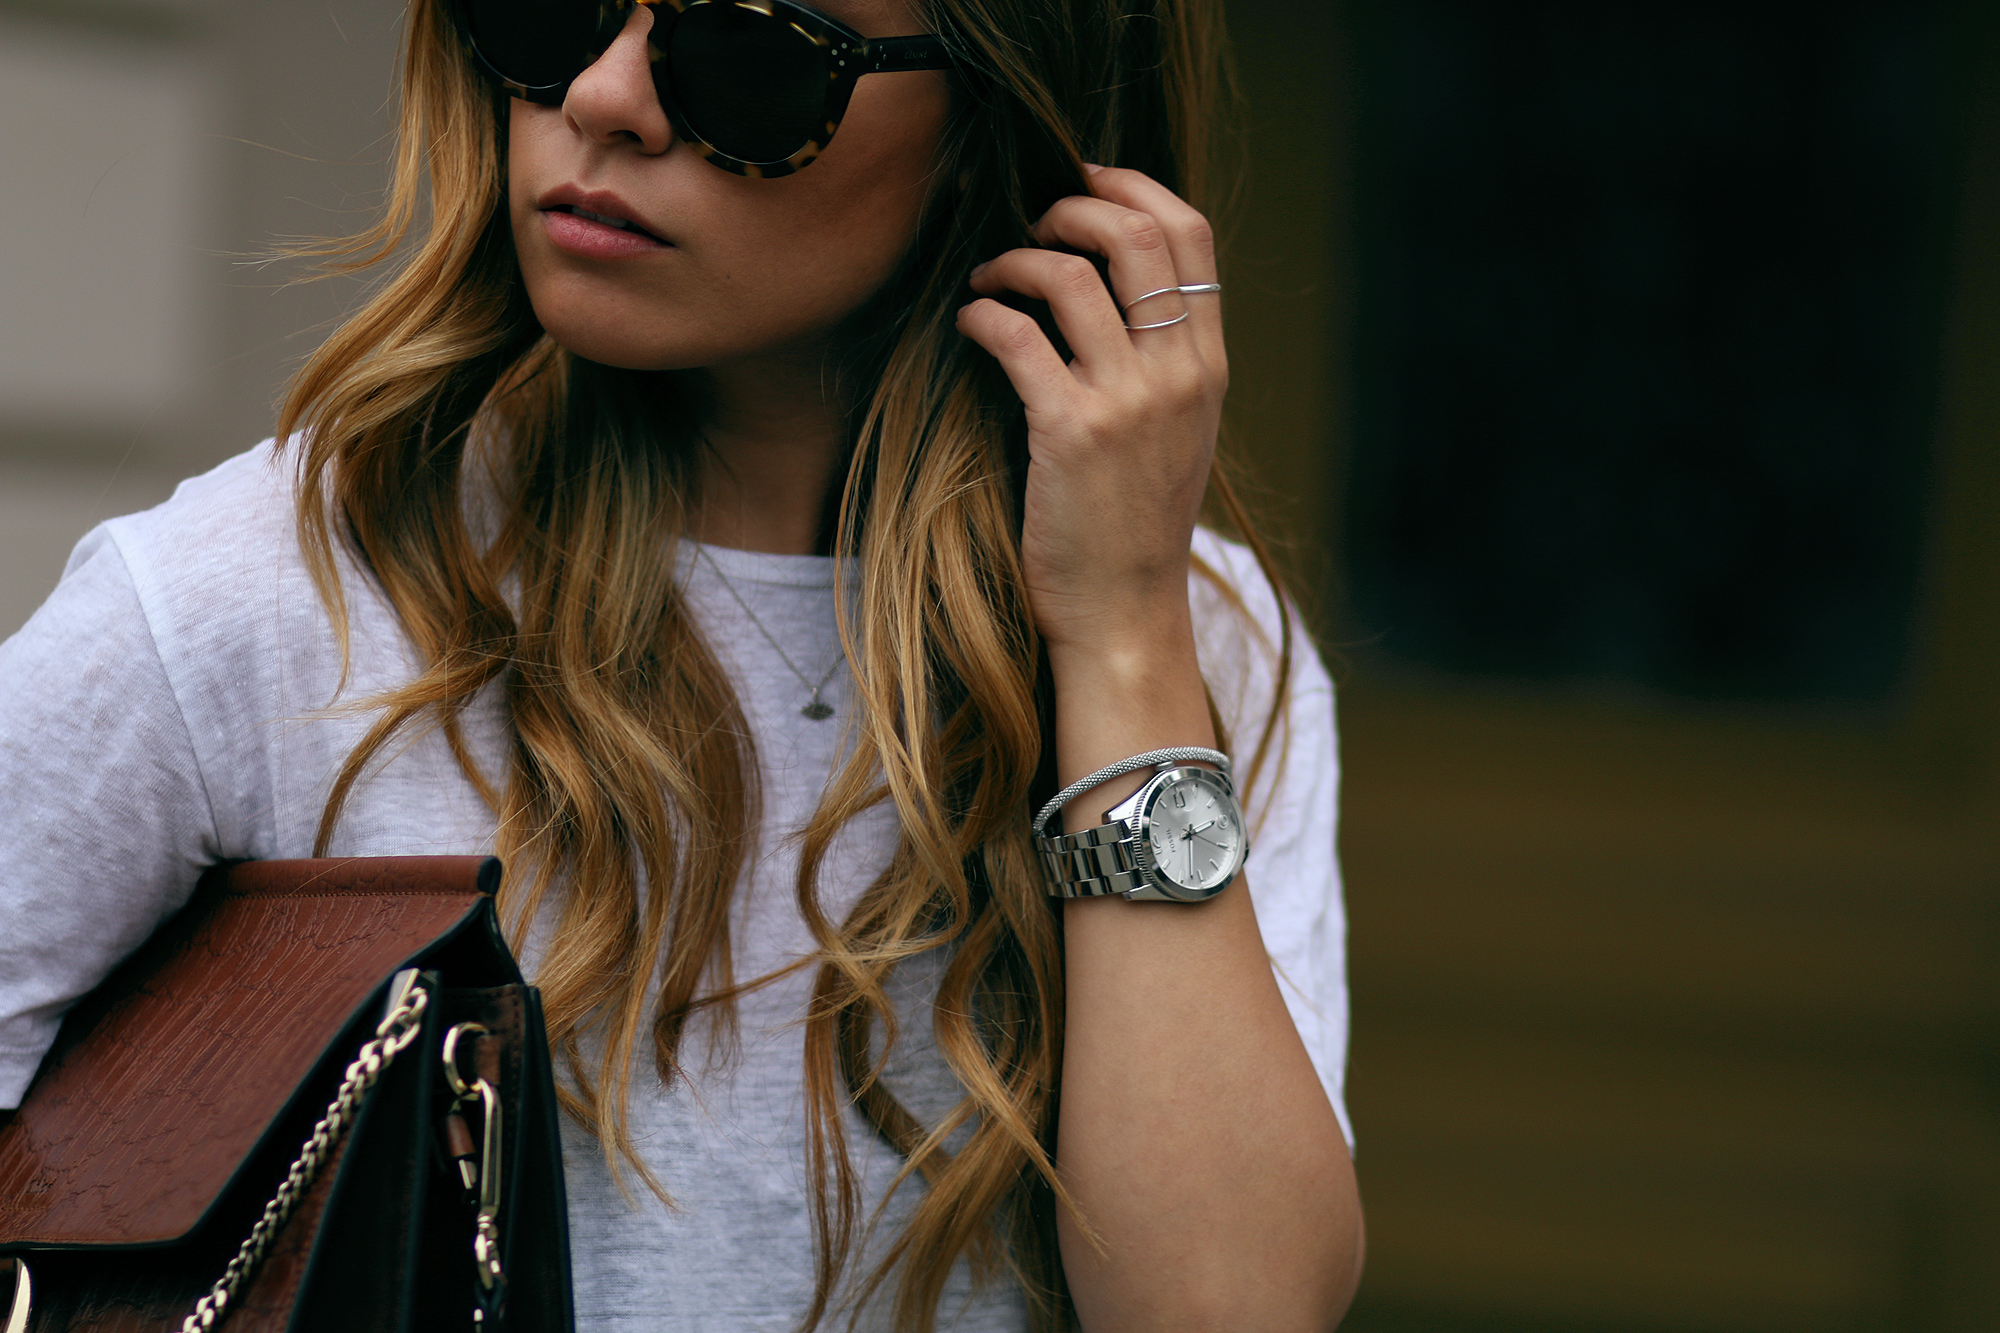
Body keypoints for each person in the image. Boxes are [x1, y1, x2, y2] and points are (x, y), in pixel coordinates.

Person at [0, 0, 1362, 1327]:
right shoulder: (261, 596)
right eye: (549, 9)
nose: (600, 96)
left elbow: (1228, 1308)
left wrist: (1122, 644)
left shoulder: (1199, 648)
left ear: (997, 126)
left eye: (749, 54)